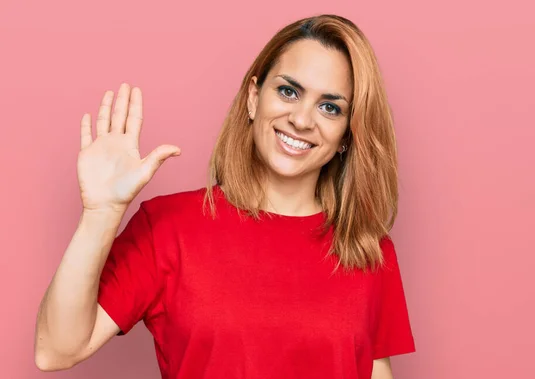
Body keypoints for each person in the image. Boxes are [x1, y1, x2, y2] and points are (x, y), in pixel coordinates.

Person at [34, 14, 415, 379]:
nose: (301, 119)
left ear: (348, 134)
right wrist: (100, 213)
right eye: (288, 91)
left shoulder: (367, 249)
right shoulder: (168, 229)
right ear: (253, 97)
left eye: (330, 107)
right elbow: (56, 350)